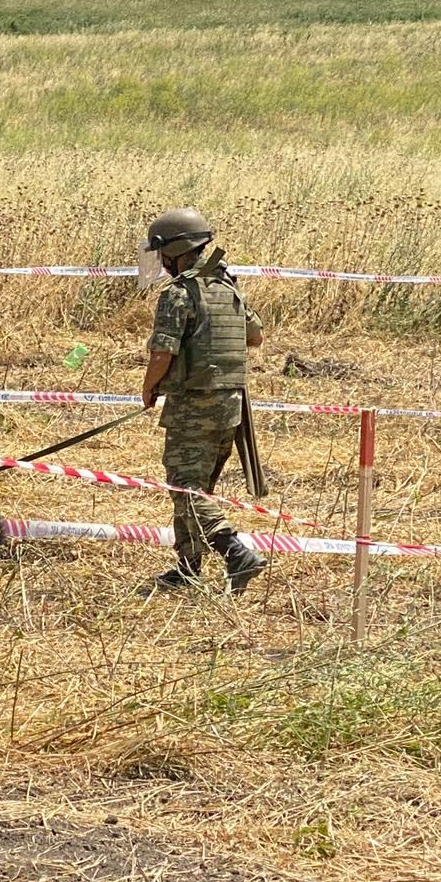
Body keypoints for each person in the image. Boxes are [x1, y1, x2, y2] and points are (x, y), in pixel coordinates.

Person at [139, 207, 268, 594]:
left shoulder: (178, 294)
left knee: (185, 487)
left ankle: (233, 551)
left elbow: (162, 352)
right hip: (230, 408)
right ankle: (189, 566)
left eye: (161, 256)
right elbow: (255, 336)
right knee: (196, 487)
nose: (160, 264)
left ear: (174, 251)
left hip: (192, 406)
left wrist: (148, 388)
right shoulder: (227, 287)